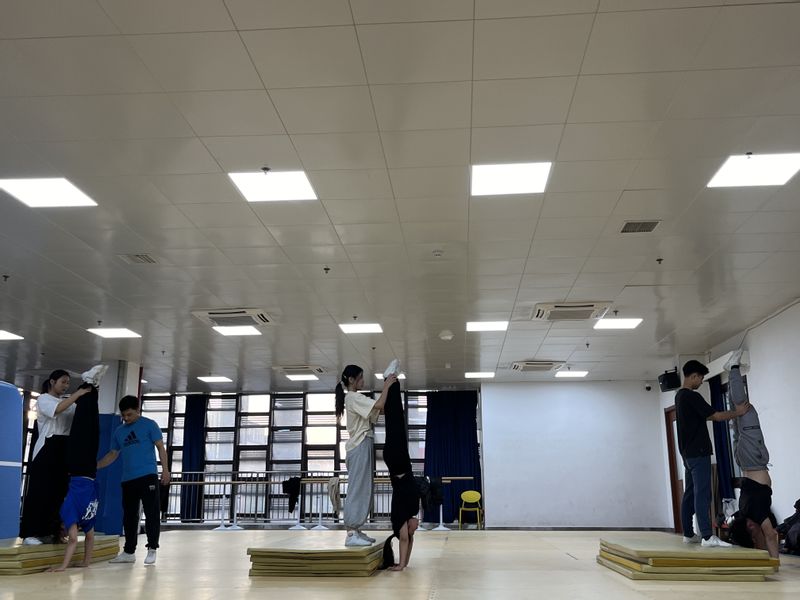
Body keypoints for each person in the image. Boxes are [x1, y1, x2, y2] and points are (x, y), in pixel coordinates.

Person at [676, 359, 750, 548]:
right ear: (693, 376)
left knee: (690, 494)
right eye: (700, 378)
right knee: (702, 494)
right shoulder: (691, 396)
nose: (701, 382)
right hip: (698, 453)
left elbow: (707, 416)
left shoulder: (679, 397)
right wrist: (738, 412)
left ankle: (688, 534)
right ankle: (707, 537)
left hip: (687, 455)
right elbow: (715, 416)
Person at [20, 369, 91, 545]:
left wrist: (89, 391)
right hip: (46, 450)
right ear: (52, 382)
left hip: (63, 450)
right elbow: (58, 409)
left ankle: (53, 532)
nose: (66, 386)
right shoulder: (44, 399)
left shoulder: (69, 403)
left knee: (58, 493)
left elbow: (77, 413)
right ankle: (32, 533)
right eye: (63, 382)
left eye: (68, 383)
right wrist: (78, 394)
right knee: (40, 492)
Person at [48, 365, 108, 572]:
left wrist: (63, 567)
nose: (68, 534)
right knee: (90, 427)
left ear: (62, 526)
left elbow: (78, 540)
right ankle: (93, 386)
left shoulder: (71, 514)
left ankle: (88, 383)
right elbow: (85, 539)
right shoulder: (84, 519)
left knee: (85, 426)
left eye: (64, 531)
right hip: (85, 470)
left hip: (82, 469)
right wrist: (85, 562)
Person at [97, 395, 170, 565]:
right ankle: (129, 552)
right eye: (124, 415)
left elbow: (161, 448)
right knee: (129, 516)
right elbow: (113, 454)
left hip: (148, 475)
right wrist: (96, 466)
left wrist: (165, 470)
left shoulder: (149, 425)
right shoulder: (119, 431)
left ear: (138, 410)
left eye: (129, 414)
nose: (126, 418)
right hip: (128, 479)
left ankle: (152, 548)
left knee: (152, 513)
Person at [723, 351, 779, 558]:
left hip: (754, 458)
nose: (759, 533)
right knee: (739, 414)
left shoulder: (757, 512)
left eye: (755, 536)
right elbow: (766, 537)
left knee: (744, 409)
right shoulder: (744, 510)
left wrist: (775, 564)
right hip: (745, 461)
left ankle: (733, 368)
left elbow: (771, 535)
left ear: (750, 528)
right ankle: (732, 374)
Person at [335, 364, 396, 547]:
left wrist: (389, 389)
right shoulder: (353, 397)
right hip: (359, 445)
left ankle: (356, 529)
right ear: (351, 380)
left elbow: (380, 410)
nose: (363, 381)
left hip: (362, 444)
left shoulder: (355, 398)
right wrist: (386, 385)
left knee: (363, 488)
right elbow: (379, 405)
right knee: (357, 488)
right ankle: (351, 532)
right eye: (360, 378)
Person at [380, 360, 421, 571]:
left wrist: (401, 566)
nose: (416, 527)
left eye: (413, 527)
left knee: (394, 421)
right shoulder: (409, 514)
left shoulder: (400, 522)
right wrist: (404, 564)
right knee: (395, 421)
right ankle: (392, 381)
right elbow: (409, 541)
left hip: (397, 462)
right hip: (401, 464)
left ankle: (389, 381)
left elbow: (406, 540)